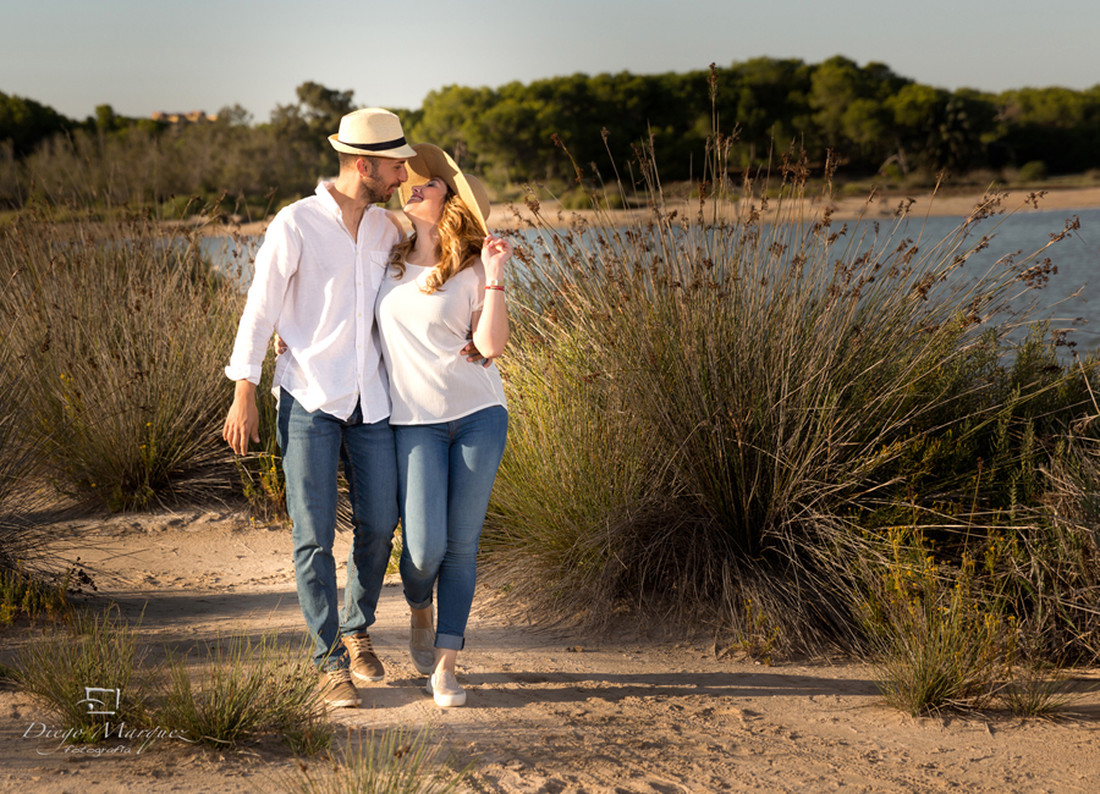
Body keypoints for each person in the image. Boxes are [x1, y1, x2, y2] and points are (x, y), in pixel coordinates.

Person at [222, 107, 416, 709]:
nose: (402, 175)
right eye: (394, 165)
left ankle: (357, 629)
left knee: (380, 525)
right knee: (312, 538)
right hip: (308, 396)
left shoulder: (389, 228)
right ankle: (329, 660)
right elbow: (261, 309)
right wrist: (244, 390)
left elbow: (436, 260)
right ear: (364, 165)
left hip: (373, 401)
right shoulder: (296, 223)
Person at [375, 143, 512, 708]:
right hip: (413, 423)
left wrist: (498, 273)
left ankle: (447, 669)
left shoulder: (476, 266)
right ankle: (418, 607)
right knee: (424, 549)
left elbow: (489, 346)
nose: (413, 186)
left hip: (479, 416)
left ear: (449, 198)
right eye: (411, 181)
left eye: (427, 184)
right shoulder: (385, 259)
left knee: (461, 547)